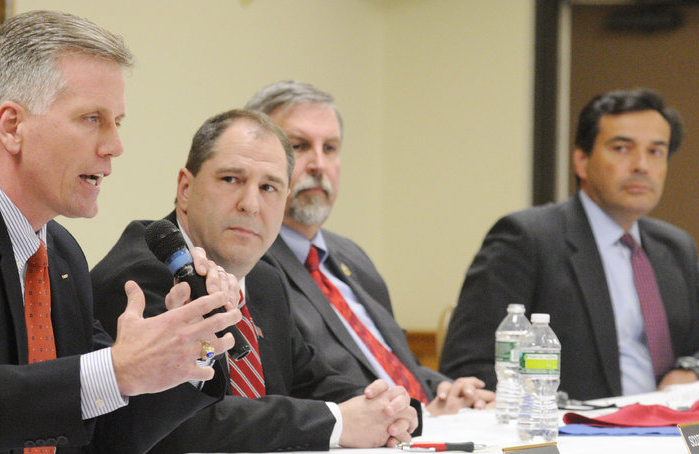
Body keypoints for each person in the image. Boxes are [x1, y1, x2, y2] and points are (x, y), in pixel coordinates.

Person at [0, 11, 242, 453]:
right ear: (12, 126)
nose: (115, 146)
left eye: (118, 121)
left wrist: (188, 347)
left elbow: (105, 430)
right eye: (92, 119)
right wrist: (117, 370)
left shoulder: (61, 254)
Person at [91, 109, 420, 452]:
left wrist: (388, 410)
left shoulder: (264, 280)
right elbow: (184, 426)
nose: (250, 204)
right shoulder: (137, 277)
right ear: (185, 189)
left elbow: (314, 381)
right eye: (231, 179)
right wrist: (338, 423)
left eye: (269, 187)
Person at [247, 80, 494, 414]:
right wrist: (409, 410)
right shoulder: (250, 263)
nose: (319, 164)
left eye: (330, 148)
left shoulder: (350, 256)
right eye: (299, 146)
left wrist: (443, 390)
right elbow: (297, 388)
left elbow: (392, 363)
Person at [440, 88, 699, 401]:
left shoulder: (675, 246)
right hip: (576, 431)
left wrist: (690, 369)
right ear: (581, 160)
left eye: (656, 152)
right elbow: (468, 366)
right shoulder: (526, 238)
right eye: (621, 148)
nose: (642, 165)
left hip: (674, 430)